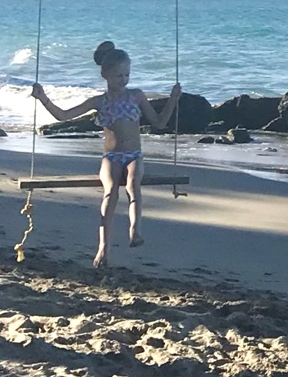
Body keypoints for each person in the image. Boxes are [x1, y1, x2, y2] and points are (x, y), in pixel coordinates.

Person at [33, 41, 182, 267]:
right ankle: (103, 246)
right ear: (105, 75)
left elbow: (159, 123)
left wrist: (172, 100)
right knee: (110, 192)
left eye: (126, 75)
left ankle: (135, 229)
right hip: (111, 157)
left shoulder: (137, 96)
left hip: (134, 155)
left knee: (133, 185)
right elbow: (63, 116)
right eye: (118, 76)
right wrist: (43, 98)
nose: (123, 80)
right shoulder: (99, 102)